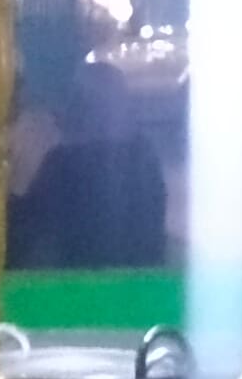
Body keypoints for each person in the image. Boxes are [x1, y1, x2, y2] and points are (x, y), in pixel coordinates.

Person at [9, 64, 171, 272]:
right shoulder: (145, 156)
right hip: (140, 289)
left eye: (76, 99)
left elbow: (25, 227)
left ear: (83, 107)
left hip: (77, 291)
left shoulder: (66, 164)